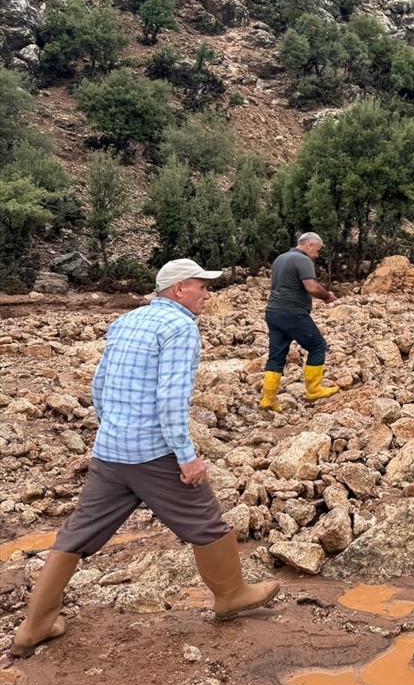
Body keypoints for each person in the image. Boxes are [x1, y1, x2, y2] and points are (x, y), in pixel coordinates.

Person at [9, 259, 280, 658]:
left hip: (111, 449)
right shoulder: (180, 327)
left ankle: (34, 627)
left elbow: (99, 384)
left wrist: (111, 429)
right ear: (178, 289)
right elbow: (170, 401)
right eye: (201, 286)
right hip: (152, 453)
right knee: (205, 519)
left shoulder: (127, 320)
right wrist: (188, 459)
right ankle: (232, 595)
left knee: (77, 534)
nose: (208, 293)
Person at [258, 232, 339, 412]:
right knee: (318, 345)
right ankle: (314, 389)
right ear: (309, 245)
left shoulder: (281, 258)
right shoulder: (303, 260)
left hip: (273, 312)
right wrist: (327, 296)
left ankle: (268, 398)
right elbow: (311, 287)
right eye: (317, 251)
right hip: (292, 313)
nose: (317, 255)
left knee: (276, 355)